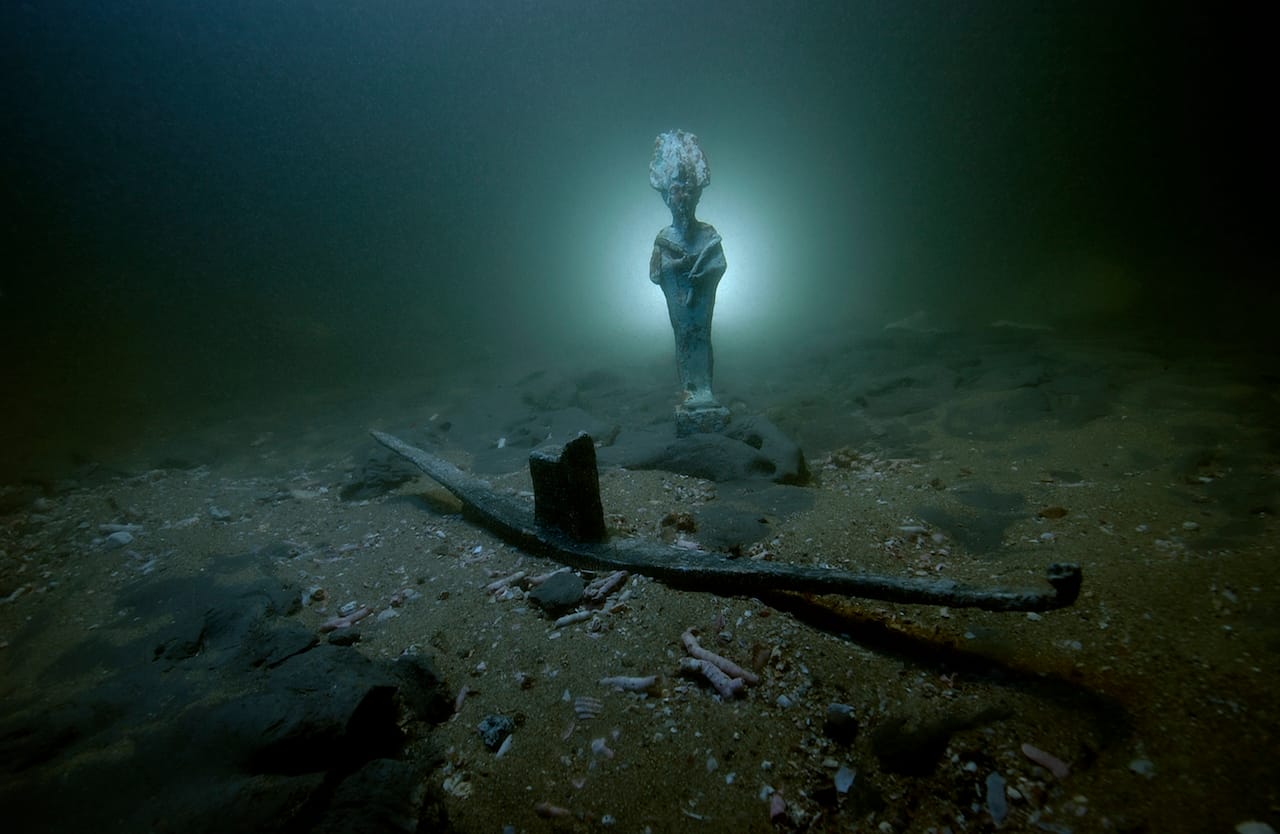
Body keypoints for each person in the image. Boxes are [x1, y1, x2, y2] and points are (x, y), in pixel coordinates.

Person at [648, 130, 728, 414]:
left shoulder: (708, 234)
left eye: (688, 190)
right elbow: (656, 274)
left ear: (697, 195)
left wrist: (703, 276)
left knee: (701, 338)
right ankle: (690, 390)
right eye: (676, 190)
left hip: (700, 306)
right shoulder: (664, 237)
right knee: (683, 339)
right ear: (667, 197)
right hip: (680, 307)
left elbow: (719, 264)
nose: (682, 197)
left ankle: (704, 389)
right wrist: (678, 268)